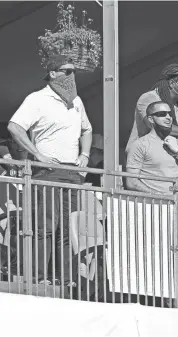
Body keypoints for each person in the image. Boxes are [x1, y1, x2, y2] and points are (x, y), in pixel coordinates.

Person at [8, 55, 93, 287]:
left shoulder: (76, 102)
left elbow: (87, 129)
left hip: (72, 172)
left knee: (68, 229)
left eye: (74, 71)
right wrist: (38, 155)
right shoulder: (37, 99)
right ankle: (37, 278)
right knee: (45, 226)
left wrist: (84, 155)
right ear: (53, 73)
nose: (72, 75)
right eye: (67, 71)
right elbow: (14, 126)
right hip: (47, 171)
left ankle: (66, 279)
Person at [125, 101, 178, 305]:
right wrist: (160, 197)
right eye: (161, 114)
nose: (168, 117)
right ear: (150, 119)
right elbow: (130, 181)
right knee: (156, 260)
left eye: (169, 113)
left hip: (176, 212)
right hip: (152, 211)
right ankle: (157, 303)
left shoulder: (176, 142)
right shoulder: (140, 145)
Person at [125, 63, 178, 156]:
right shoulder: (149, 98)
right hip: (144, 158)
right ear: (172, 83)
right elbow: (154, 126)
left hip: (166, 161)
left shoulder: (177, 106)